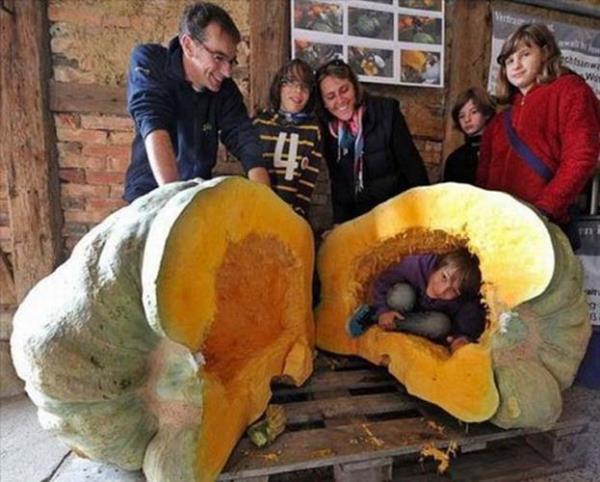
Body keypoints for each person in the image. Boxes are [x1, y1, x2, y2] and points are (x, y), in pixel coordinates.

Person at [123, 2, 270, 203]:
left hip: (196, 199)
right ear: (189, 46)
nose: (227, 72)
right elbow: (152, 121)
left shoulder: (226, 90)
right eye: (218, 58)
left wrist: (265, 202)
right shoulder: (150, 62)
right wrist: (175, 203)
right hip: (148, 197)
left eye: (231, 61)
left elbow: (244, 138)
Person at [476, 23, 600, 232]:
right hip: (498, 226)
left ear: (545, 52)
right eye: (509, 60)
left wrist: (545, 210)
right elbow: (483, 177)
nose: (516, 65)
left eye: (525, 54)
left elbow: (580, 157)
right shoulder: (499, 121)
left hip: (544, 223)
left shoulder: (571, 91)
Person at [316, 59, 429, 224]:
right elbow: (339, 183)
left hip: (398, 214)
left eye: (344, 90)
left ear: (355, 87)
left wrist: (424, 216)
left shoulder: (387, 112)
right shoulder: (329, 130)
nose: (340, 100)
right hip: (360, 220)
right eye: (330, 96)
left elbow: (413, 167)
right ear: (324, 103)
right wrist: (339, 224)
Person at [347, 249, 485, 352]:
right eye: (444, 277)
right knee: (402, 296)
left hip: (420, 320)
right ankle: (374, 313)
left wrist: (459, 338)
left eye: (453, 291)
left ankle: (381, 322)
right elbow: (383, 281)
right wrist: (383, 310)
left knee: (441, 325)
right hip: (400, 304)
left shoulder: (465, 302)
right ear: (438, 266)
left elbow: (468, 320)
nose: (442, 290)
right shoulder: (415, 265)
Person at [253, 59, 322, 219]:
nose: (298, 90)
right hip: (258, 212)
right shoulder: (259, 124)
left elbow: (307, 183)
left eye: (305, 86)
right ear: (279, 86)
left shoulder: (313, 131)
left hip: (292, 217)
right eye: (290, 82)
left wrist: (298, 217)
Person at [443, 87, 495, 184]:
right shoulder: (454, 159)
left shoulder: (497, 152)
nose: (467, 119)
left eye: (474, 112)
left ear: (486, 113)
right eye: (461, 116)